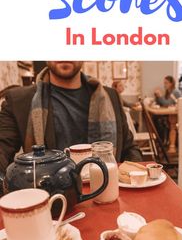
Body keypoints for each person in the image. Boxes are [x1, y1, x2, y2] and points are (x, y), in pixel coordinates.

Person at [0, 62, 142, 175]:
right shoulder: (18, 101)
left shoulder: (111, 97)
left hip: (106, 194)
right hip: (50, 199)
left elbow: (130, 149)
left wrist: (134, 177)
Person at [153, 76, 181, 145]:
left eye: (166, 83)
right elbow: (162, 103)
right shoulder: (168, 92)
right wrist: (157, 97)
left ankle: (165, 142)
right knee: (155, 118)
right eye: (164, 83)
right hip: (170, 113)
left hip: (178, 115)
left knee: (160, 120)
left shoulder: (175, 92)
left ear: (171, 83)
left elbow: (167, 103)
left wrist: (160, 96)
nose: (164, 85)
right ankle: (161, 140)